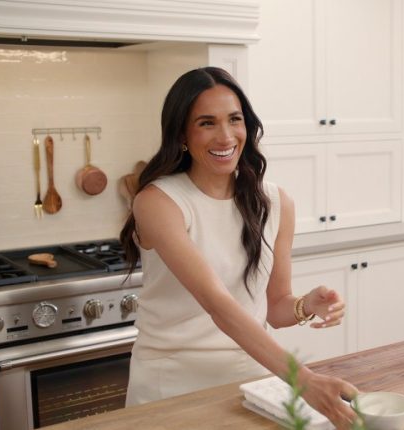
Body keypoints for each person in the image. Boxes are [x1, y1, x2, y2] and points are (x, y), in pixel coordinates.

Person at [119, 67, 358, 428]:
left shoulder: (275, 203)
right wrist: (304, 380)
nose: (226, 136)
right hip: (171, 387)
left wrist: (306, 305)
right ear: (181, 133)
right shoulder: (158, 202)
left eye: (235, 119)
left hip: (251, 385)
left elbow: (274, 308)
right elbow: (218, 305)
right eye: (207, 123)